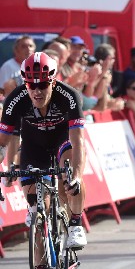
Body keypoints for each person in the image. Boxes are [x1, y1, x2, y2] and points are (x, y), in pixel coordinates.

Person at [0, 52, 88, 265]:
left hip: (62, 142)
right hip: (33, 147)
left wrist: (76, 176)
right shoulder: (16, 99)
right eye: (31, 86)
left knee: (69, 178)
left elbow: (79, 142)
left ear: (53, 81)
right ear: (25, 84)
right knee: (38, 209)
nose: (37, 91)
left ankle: (75, 223)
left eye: (43, 86)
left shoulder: (69, 96)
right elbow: (2, 142)